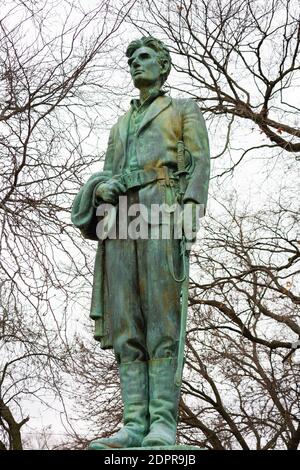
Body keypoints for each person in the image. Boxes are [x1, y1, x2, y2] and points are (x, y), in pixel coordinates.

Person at [71, 36, 210, 449]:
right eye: (131, 59)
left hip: (161, 208)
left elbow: (199, 163)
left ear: (163, 65)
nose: (136, 63)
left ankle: (162, 424)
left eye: (144, 57)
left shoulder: (182, 109)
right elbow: (110, 171)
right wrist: (101, 188)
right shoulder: (119, 125)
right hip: (120, 222)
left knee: (162, 320)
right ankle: (134, 424)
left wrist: (188, 217)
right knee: (127, 320)